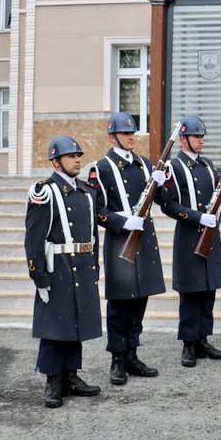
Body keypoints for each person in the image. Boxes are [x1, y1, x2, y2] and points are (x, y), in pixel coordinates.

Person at [85, 112, 165, 386]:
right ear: (112, 136)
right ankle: (117, 359)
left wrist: (163, 182)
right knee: (120, 303)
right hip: (121, 239)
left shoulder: (144, 164)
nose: (132, 136)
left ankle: (132, 353)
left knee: (140, 298)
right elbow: (96, 209)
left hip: (143, 236)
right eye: (125, 133)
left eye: (133, 132)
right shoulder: (101, 168)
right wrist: (121, 222)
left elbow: (161, 199)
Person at [24, 135, 102, 408]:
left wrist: (94, 267)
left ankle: (71, 375)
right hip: (57, 268)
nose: (77, 159)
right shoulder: (44, 191)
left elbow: (93, 235)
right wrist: (39, 277)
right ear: (56, 161)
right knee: (55, 326)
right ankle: (53, 381)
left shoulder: (86, 192)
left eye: (79, 155)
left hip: (81, 266)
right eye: (71, 156)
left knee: (75, 322)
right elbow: (34, 239)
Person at [161, 115, 221, 367]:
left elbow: (220, 192)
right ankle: (189, 343)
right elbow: (169, 205)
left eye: (202, 137)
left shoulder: (207, 165)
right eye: (196, 137)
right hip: (190, 235)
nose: (201, 141)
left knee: (208, 290)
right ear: (183, 139)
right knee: (191, 292)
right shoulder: (173, 167)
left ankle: (203, 339)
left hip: (210, 236)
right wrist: (197, 217)